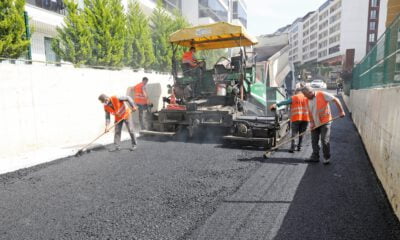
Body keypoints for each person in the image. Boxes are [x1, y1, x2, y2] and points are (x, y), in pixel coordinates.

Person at [301, 86, 346, 164]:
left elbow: (336, 99)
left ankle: (326, 157)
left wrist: (341, 111)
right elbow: (310, 112)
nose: (305, 96)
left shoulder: (322, 94)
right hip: (315, 123)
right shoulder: (306, 99)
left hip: (325, 122)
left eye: (306, 95)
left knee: (324, 140)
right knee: (314, 140)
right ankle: (315, 157)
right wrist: (311, 123)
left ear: (310, 92)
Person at [270, 88, 310, 153]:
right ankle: (299, 147)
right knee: (302, 133)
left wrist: (276, 105)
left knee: (294, 134)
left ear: (296, 92)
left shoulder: (294, 97)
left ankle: (293, 147)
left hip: (296, 118)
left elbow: (285, 102)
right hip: (306, 119)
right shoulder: (307, 98)